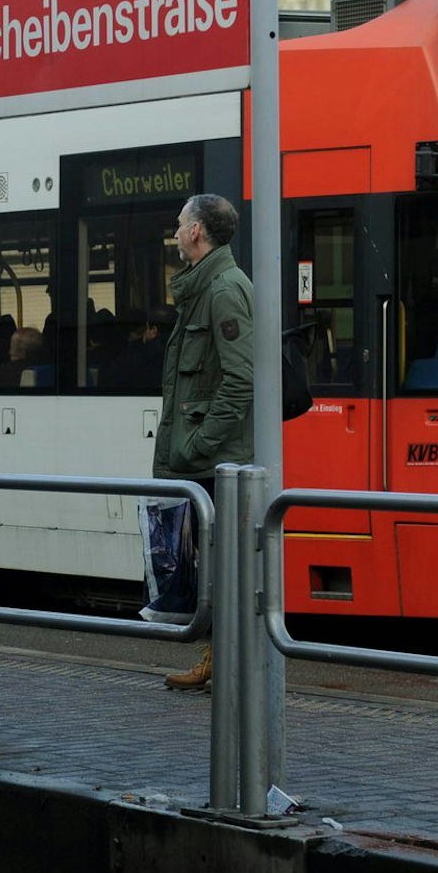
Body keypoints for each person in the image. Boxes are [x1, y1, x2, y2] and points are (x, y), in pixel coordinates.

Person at [157, 194, 255, 691]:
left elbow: (240, 379)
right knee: (210, 565)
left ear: (196, 232)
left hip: (215, 459)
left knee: (222, 565)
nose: (175, 233)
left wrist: (199, 444)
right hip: (207, 456)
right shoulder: (205, 287)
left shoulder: (223, 290)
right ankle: (217, 662)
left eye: (179, 225)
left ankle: (227, 667)